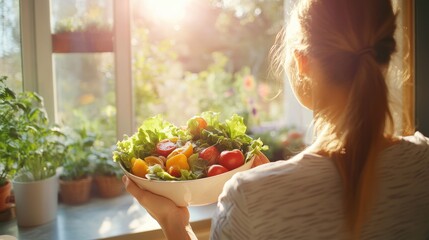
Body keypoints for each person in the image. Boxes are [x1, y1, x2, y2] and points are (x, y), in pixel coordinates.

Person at [123, 0, 429, 239]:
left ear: (303, 61)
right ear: (387, 55)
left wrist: (172, 223)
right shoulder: (424, 160)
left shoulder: (250, 199)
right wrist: (274, 183)